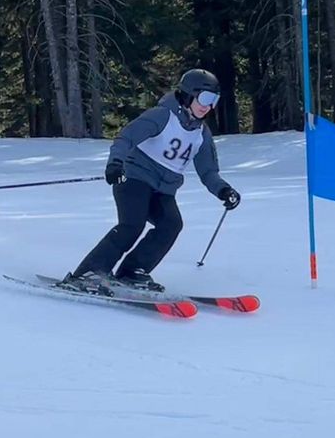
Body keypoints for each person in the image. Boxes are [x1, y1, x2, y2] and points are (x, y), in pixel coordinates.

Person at [65, 69, 241, 292]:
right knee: (132, 224)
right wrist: (115, 164)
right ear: (188, 95)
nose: (208, 106)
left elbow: (208, 172)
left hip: (163, 191)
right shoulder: (162, 116)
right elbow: (126, 138)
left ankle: (132, 271)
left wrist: (224, 191)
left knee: (171, 224)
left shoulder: (201, 134)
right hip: (133, 179)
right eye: (205, 98)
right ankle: (89, 273)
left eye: (214, 100)